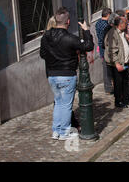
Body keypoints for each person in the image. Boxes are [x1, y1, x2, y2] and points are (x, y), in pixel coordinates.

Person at [40, 7, 94, 140]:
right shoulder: (70, 38)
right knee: (65, 105)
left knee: (58, 103)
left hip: (52, 75)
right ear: (68, 22)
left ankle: (56, 131)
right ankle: (64, 132)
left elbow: (42, 54)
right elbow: (88, 46)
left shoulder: (46, 37)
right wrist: (86, 31)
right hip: (66, 75)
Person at [104, 15, 129, 108]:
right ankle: (118, 101)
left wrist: (128, 40)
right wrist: (116, 63)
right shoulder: (112, 33)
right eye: (125, 23)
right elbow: (111, 50)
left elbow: (122, 45)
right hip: (117, 63)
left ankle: (126, 99)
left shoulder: (122, 32)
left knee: (125, 81)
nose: (127, 25)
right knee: (118, 83)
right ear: (120, 24)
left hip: (125, 61)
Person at [95, 8, 113, 94]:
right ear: (108, 15)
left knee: (106, 68)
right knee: (107, 69)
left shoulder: (98, 23)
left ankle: (109, 87)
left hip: (102, 48)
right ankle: (109, 88)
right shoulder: (106, 25)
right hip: (106, 49)